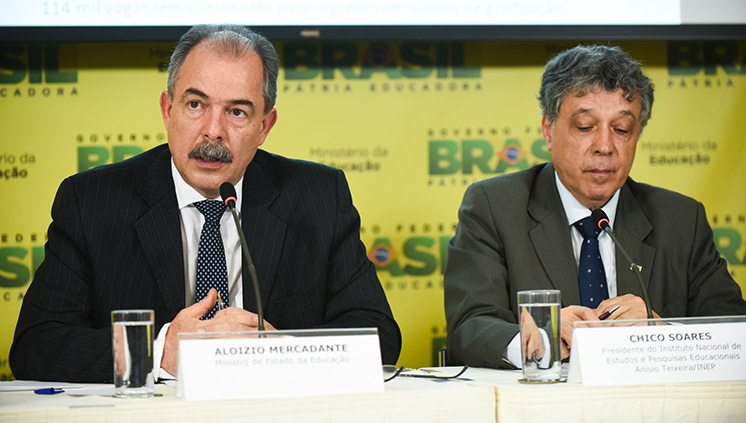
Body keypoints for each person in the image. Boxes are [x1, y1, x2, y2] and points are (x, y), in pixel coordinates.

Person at [10, 24, 401, 382]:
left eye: (237, 112)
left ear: (265, 126)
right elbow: (35, 345)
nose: (213, 131)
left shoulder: (319, 197)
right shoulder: (92, 202)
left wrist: (286, 351)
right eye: (196, 105)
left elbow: (379, 336)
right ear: (168, 109)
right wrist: (158, 353)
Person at [443, 44, 746, 369]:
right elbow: (469, 329)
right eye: (585, 127)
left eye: (621, 130)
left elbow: (734, 334)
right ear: (549, 130)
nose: (605, 146)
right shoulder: (494, 206)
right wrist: (544, 340)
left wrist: (661, 333)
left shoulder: (681, 219)